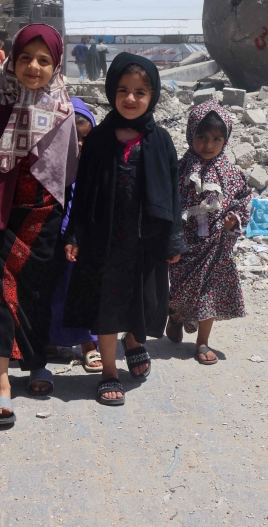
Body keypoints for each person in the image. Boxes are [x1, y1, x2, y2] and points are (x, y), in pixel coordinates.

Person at [0, 23, 79, 428]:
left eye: (44, 60)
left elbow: (68, 172)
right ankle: (0, 386)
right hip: (1, 214)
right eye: (25, 58)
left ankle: (36, 363)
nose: (33, 66)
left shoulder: (65, 112)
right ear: (11, 60)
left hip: (43, 216)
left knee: (34, 293)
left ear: (56, 65)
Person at [63, 53, 185, 407]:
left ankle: (135, 342)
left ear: (153, 96)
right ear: (111, 91)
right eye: (123, 90)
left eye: (140, 92)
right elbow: (84, 192)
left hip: (145, 240)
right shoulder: (100, 139)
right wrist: (75, 234)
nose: (130, 99)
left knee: (139, 297)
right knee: (105, 304)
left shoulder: (160, 140)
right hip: (104, 240)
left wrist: (174, 238)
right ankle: (109, 371)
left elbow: (173, 193)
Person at [167, 101, 253, 364]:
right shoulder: (180, 169)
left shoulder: (231, 173)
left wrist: (234, 219)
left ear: (225, 140)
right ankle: (176, 314)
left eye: (217, 138)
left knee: (210, 294)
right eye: (202, 137)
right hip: (185, 245)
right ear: (190, 134)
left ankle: (203, 342)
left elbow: (242, 199)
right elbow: (167, 200)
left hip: (217, 246)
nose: (208, 144)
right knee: (181, 290)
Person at [46, 98, 101, 371]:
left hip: (83, 241)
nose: (79, 145)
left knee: (82, 288)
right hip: (53, 238)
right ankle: (50, 339)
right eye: (72, 138)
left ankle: (88, 344)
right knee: (54, 290)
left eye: (85, 139)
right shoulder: (49, 167)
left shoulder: (96, 169)